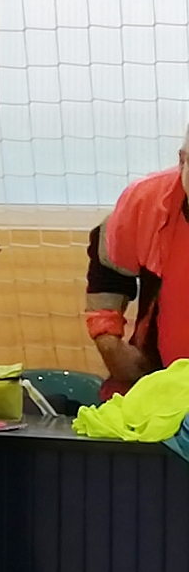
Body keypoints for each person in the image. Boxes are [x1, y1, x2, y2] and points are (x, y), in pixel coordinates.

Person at [85, 130, 189, 398]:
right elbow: (108, 261)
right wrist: (109, 342)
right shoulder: (145, 201)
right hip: (152, 383)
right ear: (182, 160)